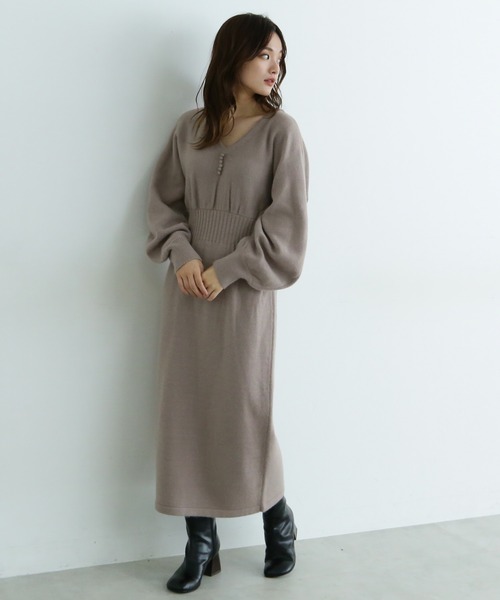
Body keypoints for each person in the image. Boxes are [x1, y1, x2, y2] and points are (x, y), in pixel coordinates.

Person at [146, 13, 309, 594]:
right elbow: (164, 205)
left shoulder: (281, 132)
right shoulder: (189, 129)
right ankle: (200, 543)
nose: (275, 67)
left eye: (280, 57)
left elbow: (286, 224)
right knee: (186, 410)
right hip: (188, 291)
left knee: (244, 410)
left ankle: (278, 522)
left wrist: (229, 269)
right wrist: (183, 255)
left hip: (244, 293)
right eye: (265, 54)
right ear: (232, 54)